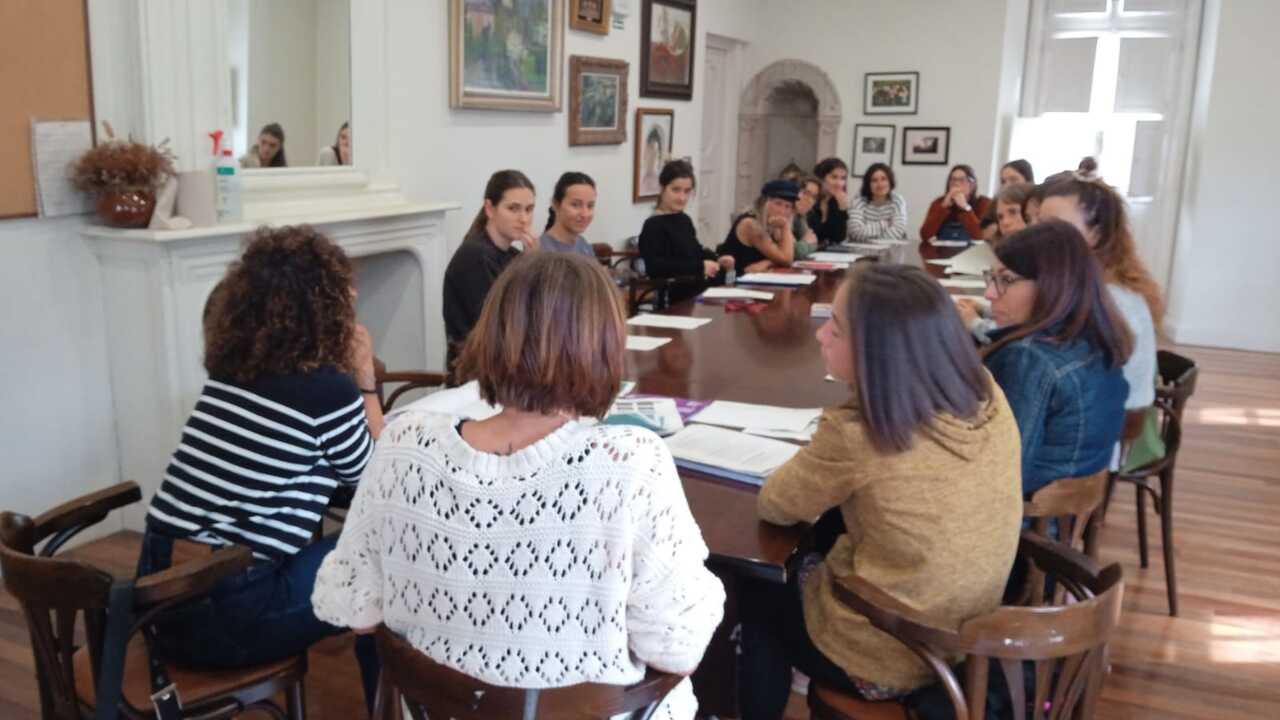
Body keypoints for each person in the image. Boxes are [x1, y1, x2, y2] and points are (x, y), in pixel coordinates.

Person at [313, 252, 725, 720]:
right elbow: (677, 649)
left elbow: (353, 609)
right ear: (605, 347)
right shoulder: (631, 462)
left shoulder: (402, 444)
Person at [738, 264, 1022, 718]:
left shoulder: (863, 432)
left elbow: (776, 503)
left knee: (755, 591)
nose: (820, 335)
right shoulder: (987, 394)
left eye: (836, 328)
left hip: (888, 654)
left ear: (879, 353)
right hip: (966, 635)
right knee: (835, 528)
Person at [136, 225, 383, 710]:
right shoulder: (327, 389)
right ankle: (389, 708)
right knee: (386, 554)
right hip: (227, 620)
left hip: (156, 602)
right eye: (343, 288)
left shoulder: (231, 372)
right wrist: (366, 380)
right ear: (320, 305)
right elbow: (376, 479)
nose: (354, 296)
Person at [980, 221, 1132, 496]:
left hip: (1025, 515)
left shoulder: (1030, 359)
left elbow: (1002, 472)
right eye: (990, 277)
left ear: (1053, 284)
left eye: (1006, 280)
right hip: (1067, 511)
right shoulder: (1092, 336)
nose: (989, 293)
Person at [1039, 177, 1162, 410]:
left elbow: (1059, 367)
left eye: (1056, 227)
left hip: (1109, 419)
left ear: (1096, 234)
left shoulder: (1112, 299)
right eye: (1039, 225)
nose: (1040, 237)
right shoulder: (1086, 280)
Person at [442, 170, 539, 372]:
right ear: (490, 208)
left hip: (509, 364)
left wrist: (534, 266)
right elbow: (502, 326)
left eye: (529, 209)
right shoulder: (474, 256)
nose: (524, 218)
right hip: (478, 371)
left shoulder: (514, 255)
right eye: (513, 208)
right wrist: (529, 270)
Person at [638, 160, 734, 302]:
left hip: (695, 292)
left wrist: (717, 259)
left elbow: (695, 251)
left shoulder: (684, 220)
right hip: (672, 299)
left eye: (687, 191)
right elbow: (656, 267)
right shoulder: (653, 225)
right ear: (662, 188)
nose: (682, 197)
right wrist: (700, 266)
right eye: (675, 190)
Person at [716, 180, 799, 273]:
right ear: (765, 203)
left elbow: (794, 253)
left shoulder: (773, 224)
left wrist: (768, 262)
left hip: (756, 278)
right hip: (733, 279)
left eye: (788, 206)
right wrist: (785, 227)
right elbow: (787, 260)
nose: (782, 211)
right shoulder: (751, 224)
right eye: (778, 204)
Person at [918, 164, 992, 249]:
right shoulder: (939, 202)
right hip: (942, 251)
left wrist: (965, 208)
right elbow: (925, 235)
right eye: (953, 180)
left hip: (971, 252)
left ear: (972, 184)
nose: (956, 183)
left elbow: (980, 236)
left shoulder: (984, 203)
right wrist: (943, 207)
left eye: (962, 180)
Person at [540, 171, 598, 258]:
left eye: (590, 206)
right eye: (575, 205)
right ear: (556, 204)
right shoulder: (541, 250)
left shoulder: (583, 245)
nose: (585, 214)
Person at [846, 163, 908, 242]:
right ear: (868, 184)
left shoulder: (897, 200)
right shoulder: (858, 201)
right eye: (874, 180)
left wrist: (872, 238)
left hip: (891, 247)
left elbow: (898, 231)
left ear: (890, 181)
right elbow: (856, 233)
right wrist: (884, 224)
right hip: (861, 248)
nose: (880, 184)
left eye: (884, 179)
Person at [808, 158, 852, 246]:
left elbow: (838, 238)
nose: (839, 183)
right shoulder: (810, 198)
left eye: (843, 178)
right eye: (834, 177)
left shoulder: (835, 201)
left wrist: (842, 210)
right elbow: (814, 235)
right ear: (821, 178)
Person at [792, 174, 822, 259]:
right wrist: (805, 243)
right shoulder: (784, 215)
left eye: (814, 197)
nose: (810, 200)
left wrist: (803, 244)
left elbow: (813, 243)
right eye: (805, 193)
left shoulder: (800, 217)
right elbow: (795, 252)